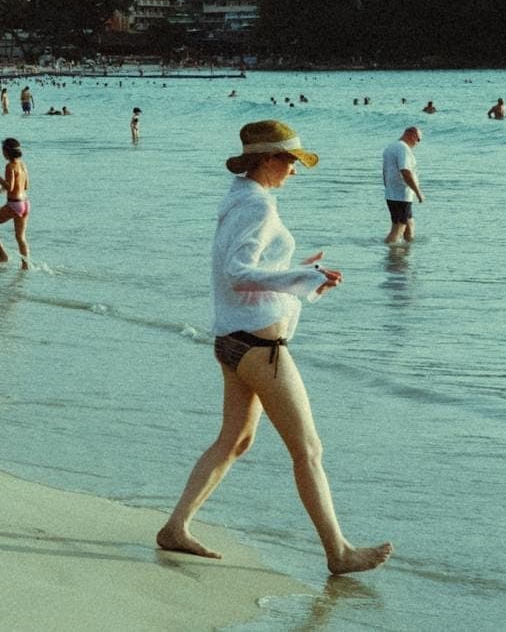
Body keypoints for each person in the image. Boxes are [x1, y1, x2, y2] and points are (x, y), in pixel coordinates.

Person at [156, 120, 391, 576]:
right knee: (308, 450)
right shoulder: (258, 207)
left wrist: (298, 271)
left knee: (235, 440)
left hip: (233, 341)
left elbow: (247, 270)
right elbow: (237, 272)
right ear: (267, 159)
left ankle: (175, 528)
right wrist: (301, 278)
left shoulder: (238, 197)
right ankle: (338, 552)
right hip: (260, 349)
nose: (294, 171)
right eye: (290, 161)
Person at [0, 138, 30, 268]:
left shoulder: (10, 166)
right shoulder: (22, 165)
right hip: (25, 203)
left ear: (7, 152)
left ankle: (2, 255)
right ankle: (25, 266)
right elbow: (26, 185)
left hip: (14, 204)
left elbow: (10, 187)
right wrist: (6, 186)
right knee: (21, 237)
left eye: (2, 150)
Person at [381, 126, 424, 245]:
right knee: (398, 228)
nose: (418, 143)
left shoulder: (391, 147)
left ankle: (406, 252)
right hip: (401, 194)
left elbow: (385, 170)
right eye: (419, 140)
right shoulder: (403, 149)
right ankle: (391, 255)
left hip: (393, 193)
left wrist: (388, 187)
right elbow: (405, 171)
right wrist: (418, 192)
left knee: (409, 223)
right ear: (412, 135)